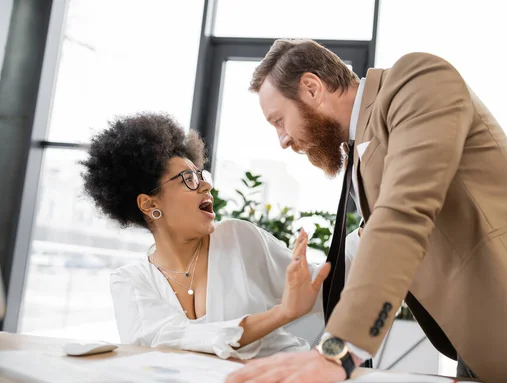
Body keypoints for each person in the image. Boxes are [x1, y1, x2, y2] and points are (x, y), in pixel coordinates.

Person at [225, 39, 507, 383]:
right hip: (481, 337)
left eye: (278, 120)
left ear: (311, 88)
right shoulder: (361, 147)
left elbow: (403, 212)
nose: (283, 139)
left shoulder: (416, 80)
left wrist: (342, 349)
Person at [80, 112, 332, 359]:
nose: (206, 185)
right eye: (188, 179)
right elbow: (168, 341)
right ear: (149, 204)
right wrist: (281, 314)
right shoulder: (131, 281)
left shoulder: (238, 238)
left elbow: (327, 289)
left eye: (201, 175)